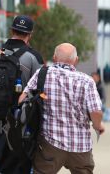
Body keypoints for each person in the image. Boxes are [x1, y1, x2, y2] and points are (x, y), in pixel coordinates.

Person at [19, 43, 105, 174]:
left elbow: (22, 100)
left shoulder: (42, 74)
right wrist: (98, 126)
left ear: (54, 58)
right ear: (76, 60)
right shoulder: (87, 81)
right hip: (80, 146)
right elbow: (96, 111)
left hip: (50, 145)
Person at [0, 15, 43, 174]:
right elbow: (40, 90)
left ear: (11, 30)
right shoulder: (33, 57)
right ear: (30, 34)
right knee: (19, 162)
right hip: (20, 119)